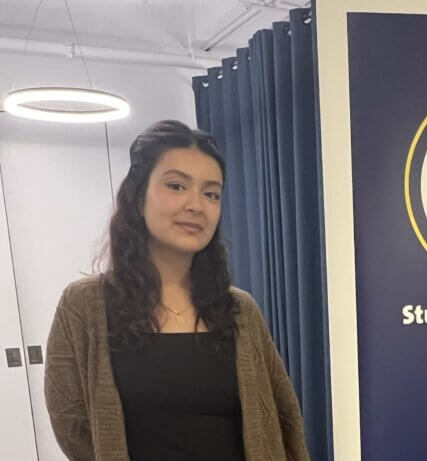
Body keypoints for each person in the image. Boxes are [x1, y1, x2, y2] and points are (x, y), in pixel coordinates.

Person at [44, 120, 309, 461]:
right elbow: (70, 420)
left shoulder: (240, 309)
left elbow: (282, 411)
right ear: (138, 197)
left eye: (211, 193)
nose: (196, 205)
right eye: (177, 186)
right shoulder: (85, 305)